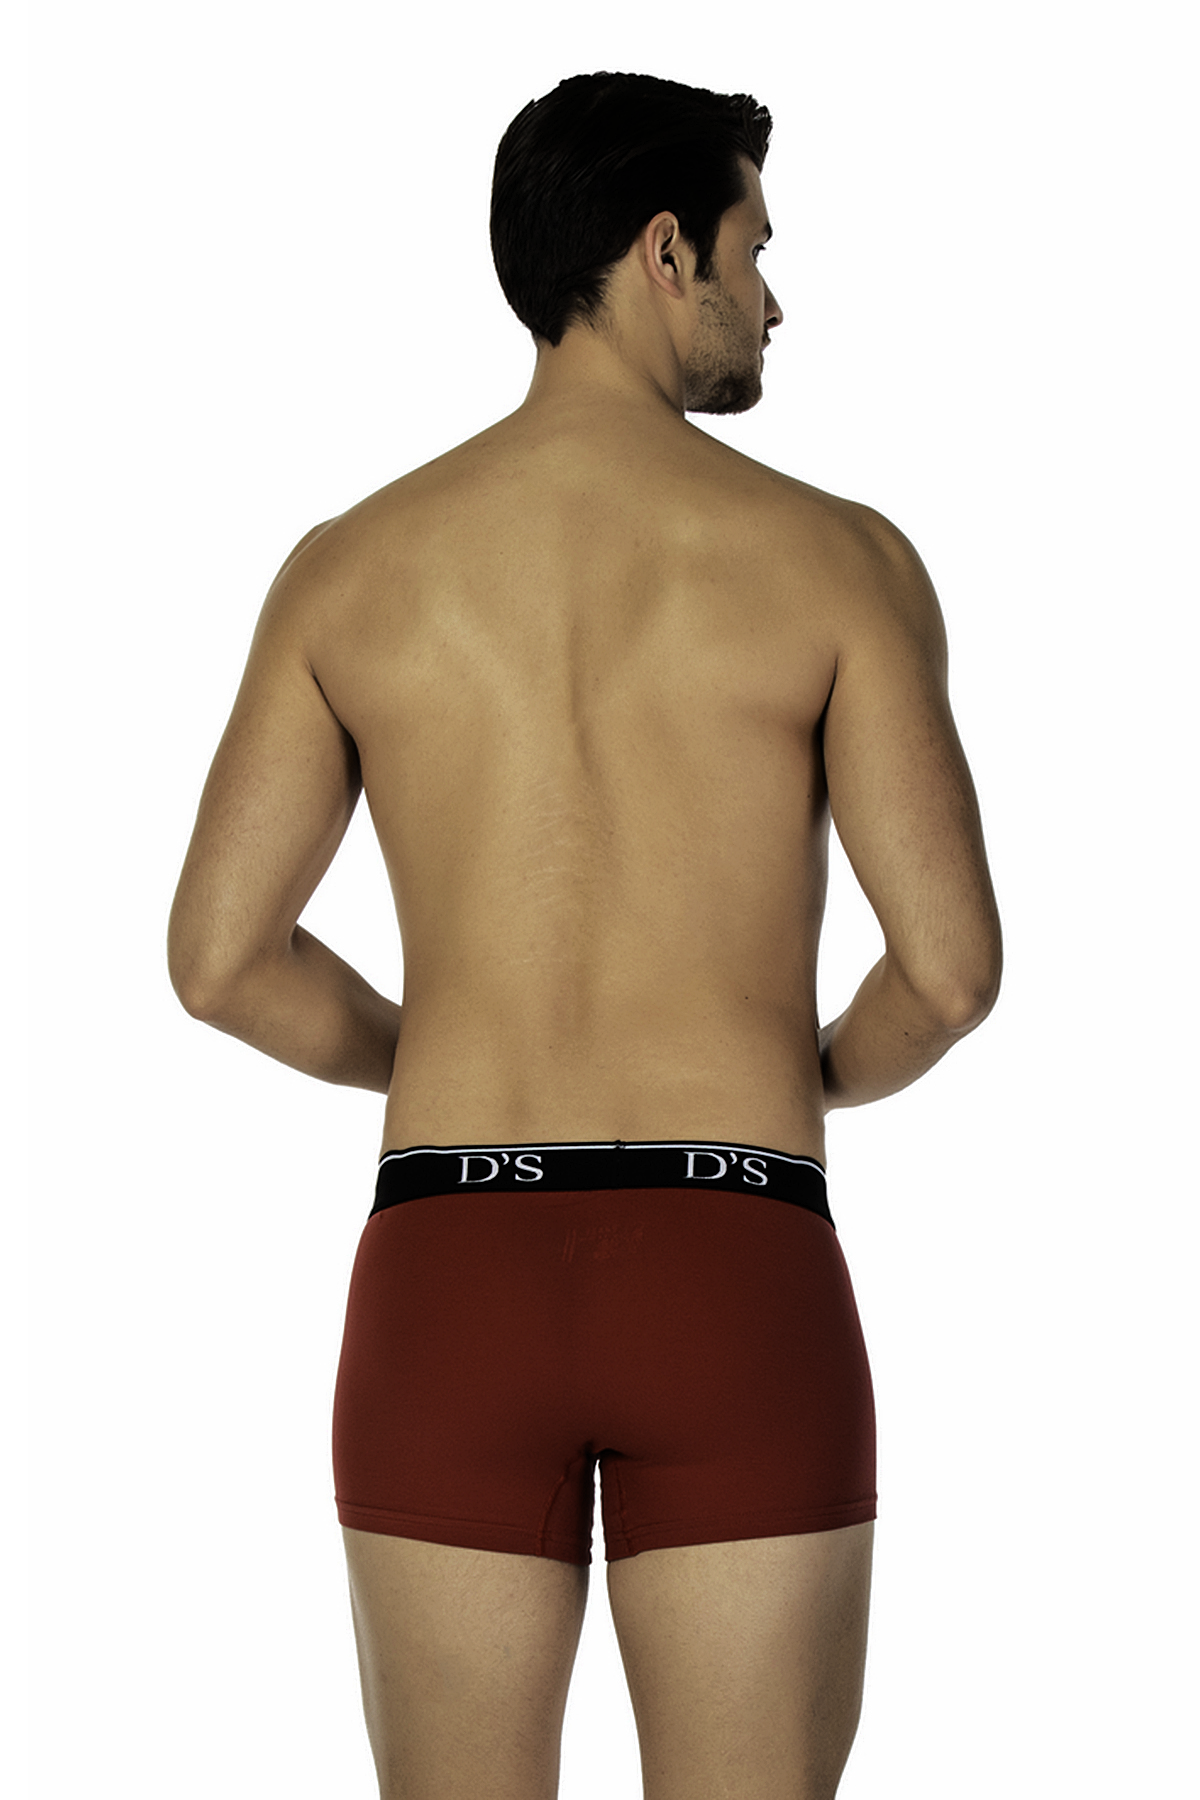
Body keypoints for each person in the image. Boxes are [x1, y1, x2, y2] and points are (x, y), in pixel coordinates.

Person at [168, 70, 1001, 1800]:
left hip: (448, 1271)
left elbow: (220, 959)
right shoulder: (837, 562)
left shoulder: (350, 569)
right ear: (663, 250)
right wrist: (808, 1069)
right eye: (757, 250)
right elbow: (949, 969)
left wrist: (446, 1046)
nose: (774, 299)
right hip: (734, 1254)